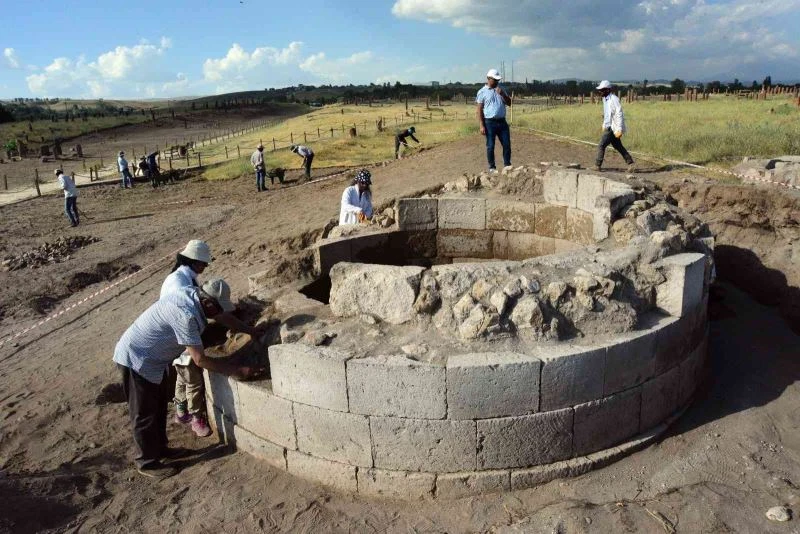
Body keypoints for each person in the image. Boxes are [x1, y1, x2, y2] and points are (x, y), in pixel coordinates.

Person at [114, 277, 261, 479]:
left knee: (158, 407)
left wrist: (250, 330)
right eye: (216, 308)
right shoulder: (185, 314)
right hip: (137, 358)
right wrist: (235, 371)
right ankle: (147, 462)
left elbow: (222, 316)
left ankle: (161, 450)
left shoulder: (196, 295)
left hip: (155, 359)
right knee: (144, 413)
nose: (218, 313)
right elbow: (199, 359)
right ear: (208, 302)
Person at [160, 240, 264, 438]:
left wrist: (247, 328)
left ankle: (181, 413)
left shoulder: (184, 277)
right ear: (193, 261)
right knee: (193, 380)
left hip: (178, 339)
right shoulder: (179, 284)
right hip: (179, 338)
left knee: (183, 377)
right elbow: (193, 329)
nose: (205, 266)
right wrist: (236, 369)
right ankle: (194, 416)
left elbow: (214, 313)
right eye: (203, 263)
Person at [476, 68, 512, 173]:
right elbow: (479, 109)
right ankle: (492, 167)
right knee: (490, 146)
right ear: (488, 78)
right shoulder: (482, 92)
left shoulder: (501, 90)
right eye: (495, 80)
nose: (497, 82)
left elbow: (510, 103)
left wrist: (503, 94)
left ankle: (507, 165)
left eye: (498, 80)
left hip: (502, 122)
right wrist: (481, 125)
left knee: (506, 144)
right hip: (489, 123)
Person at [594, 80, 635, 172]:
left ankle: (597, 165)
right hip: (609, 126)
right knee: (618, 146)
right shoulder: (605, 99)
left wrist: (619, 129)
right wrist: (604, 124)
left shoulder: (614, 99)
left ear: (607, 90)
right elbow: (607, 114)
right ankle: (631, 164)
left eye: (602, 90)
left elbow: (619, 114)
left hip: (613, 128)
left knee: (601, 145)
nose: (600, 92)